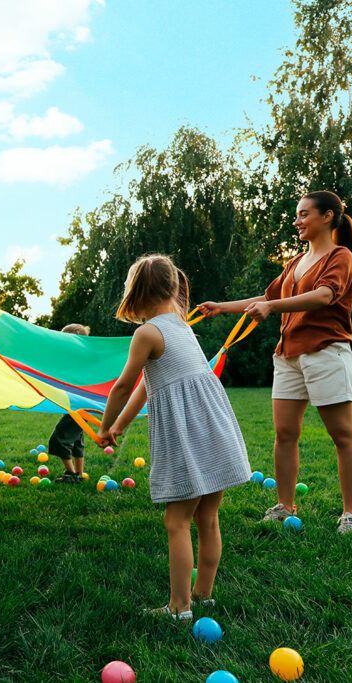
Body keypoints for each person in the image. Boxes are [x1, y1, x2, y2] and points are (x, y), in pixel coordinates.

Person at [199, 191, 352, 533]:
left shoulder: (340, 256)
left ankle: (350, 513)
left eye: (304, 214)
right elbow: (268, 297)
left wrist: (273, 308)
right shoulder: (294, 263)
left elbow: (324, 295)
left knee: (342, 434)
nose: (297, 221)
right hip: (288, 355)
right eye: (297, 215)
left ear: (328, 216)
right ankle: (284, 505)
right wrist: (222, 306)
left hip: (326, 351)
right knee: (285, 433)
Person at [99, 255, 251, 621]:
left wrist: (105, 425)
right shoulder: (182, 328)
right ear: (172, 288)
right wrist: (122, 424)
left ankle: (179, 608)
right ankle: (204, 594)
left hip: (189, 437)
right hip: (215, 431)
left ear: (135, 293)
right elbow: (149, 385)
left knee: (176, 522)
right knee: (208, 517)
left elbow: (122, 386)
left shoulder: (147, 333)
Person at [48, 323, 92, 483]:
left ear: (74, 335)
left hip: (79, 407)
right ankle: (79, 474)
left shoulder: (78, 357)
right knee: (76, 441)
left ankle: (71, 474)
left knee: (59, 439)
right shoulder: (81, 357)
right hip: (82, 406)